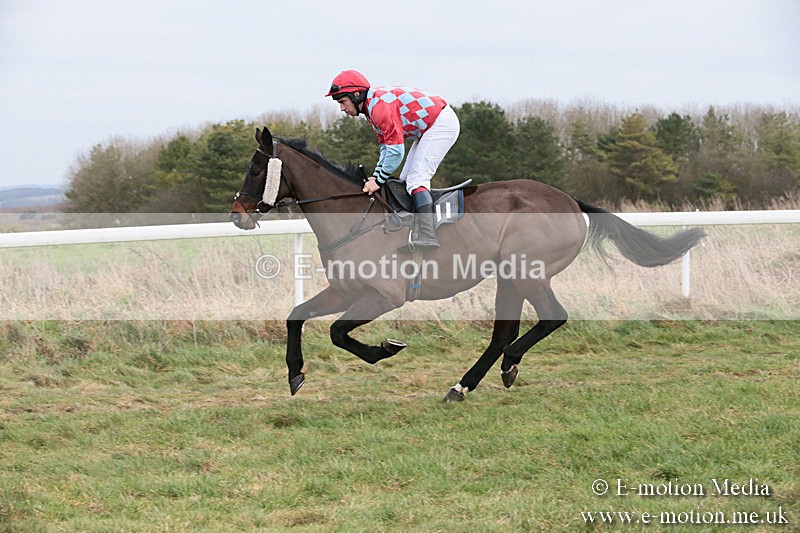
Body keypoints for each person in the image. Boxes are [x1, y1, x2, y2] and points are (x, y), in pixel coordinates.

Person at [326, 69, 460, 250]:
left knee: (416, 180)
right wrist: (375, 176)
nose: (342, 108)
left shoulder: (379, 108)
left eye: (342, 101)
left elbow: (396, 152)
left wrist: (379, 180)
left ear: (356, 95)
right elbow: (385, 148)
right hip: (428, 127)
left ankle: (429, 236)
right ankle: (414, 230)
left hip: (441, 123)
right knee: (405, 181)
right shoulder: (371, 108)